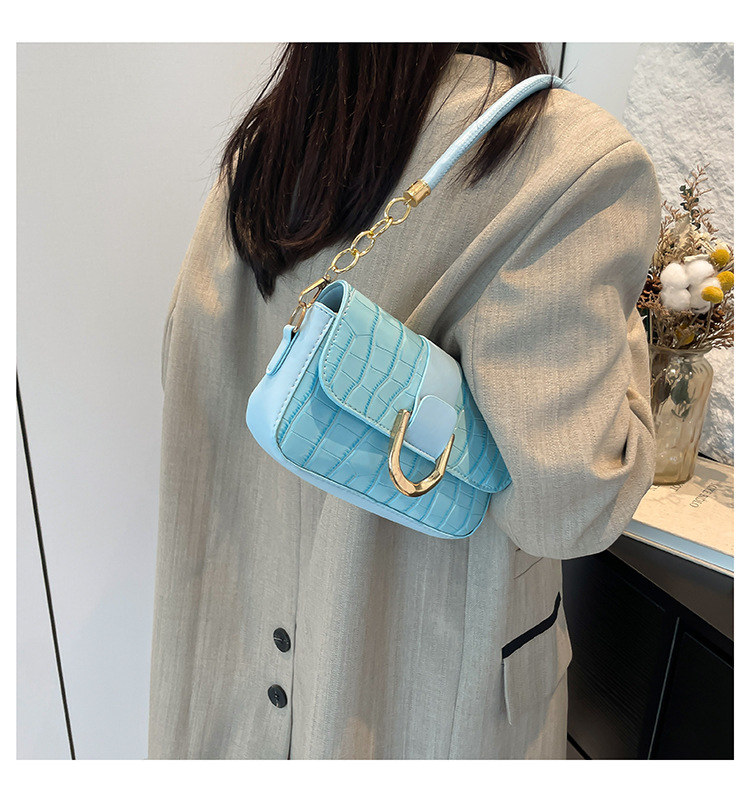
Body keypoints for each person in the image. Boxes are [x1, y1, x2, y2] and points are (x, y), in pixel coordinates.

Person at [147, 43, 660, 760]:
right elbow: (570, 507)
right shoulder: (570, 158)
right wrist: (626, 326)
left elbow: (188, 361)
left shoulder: (274, 140)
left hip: (233, 648)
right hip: (414, 695)